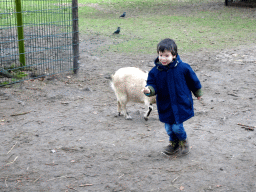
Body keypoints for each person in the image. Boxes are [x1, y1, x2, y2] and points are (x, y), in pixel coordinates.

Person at [142, 38, 203, 156]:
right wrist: (149, 90)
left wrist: (198, 92)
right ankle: (173, 144)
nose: (163, 58)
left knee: (177, 127)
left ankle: (183, 143)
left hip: (180, 103)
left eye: (167, 55)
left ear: (174, 55)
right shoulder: (155, 72)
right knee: (169, 128)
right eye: (161, 55)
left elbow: (193, 81)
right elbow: (152, 84)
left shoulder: (183, 68)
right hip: (165, 105)